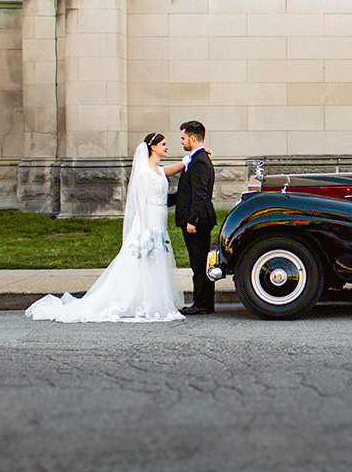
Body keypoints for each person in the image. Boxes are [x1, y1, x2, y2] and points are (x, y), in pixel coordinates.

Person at [25, 133, 186, 323]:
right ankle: (141, 301)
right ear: (153, 147)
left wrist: (188, 160)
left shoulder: (158, 170)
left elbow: (169, 170)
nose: (167, 147)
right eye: (164, 144)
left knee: (156, 262)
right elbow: (140, 204)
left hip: (159, 219)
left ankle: (153, 300)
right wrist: (146, 230)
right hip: (148, 222)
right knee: (141, 262)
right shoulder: (143, 173)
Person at [170, 120, 217, 315]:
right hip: (196, 218)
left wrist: (192, 221)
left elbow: (200, 194)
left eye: (183, 138)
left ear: (192, 138)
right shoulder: (197, 159)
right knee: (198, 262)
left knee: (198, 263)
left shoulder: (199, 161)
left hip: (197, 221)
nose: (181, 142)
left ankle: (201, 303)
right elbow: (186, 193)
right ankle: (205, 302)